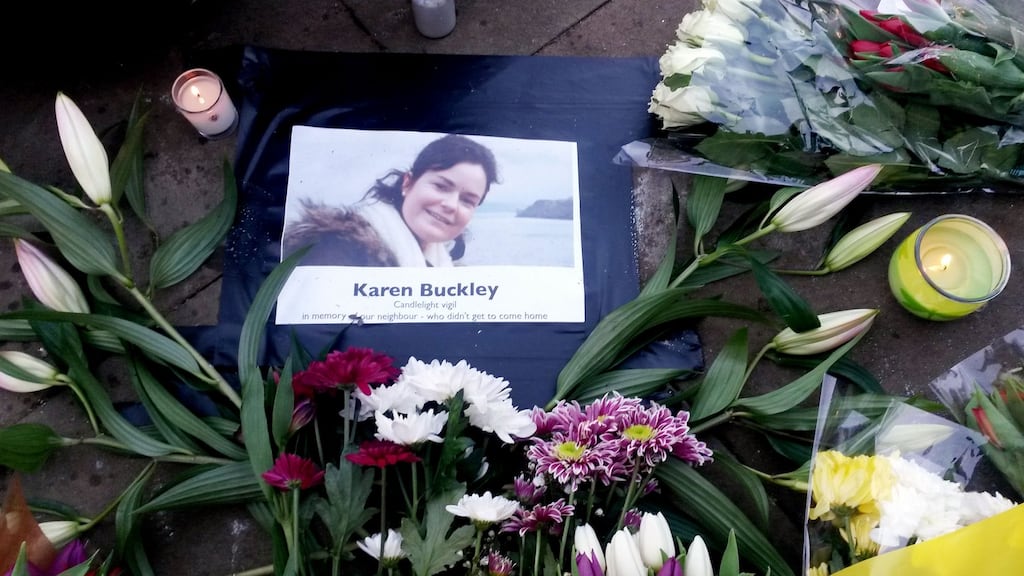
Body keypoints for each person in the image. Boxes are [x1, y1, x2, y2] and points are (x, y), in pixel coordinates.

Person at [282, 134, 500, 267]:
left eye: (468, 200)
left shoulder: (445, 268)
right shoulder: (335, 249)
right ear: (407, 183)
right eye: (441, 186)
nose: (451, 205)